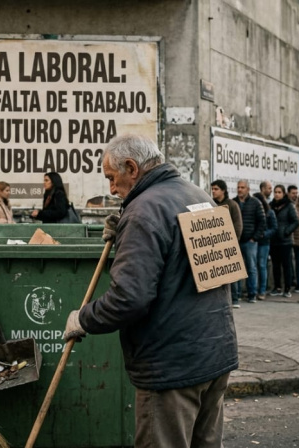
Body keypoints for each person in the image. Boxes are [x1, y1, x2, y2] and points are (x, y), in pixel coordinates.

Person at [63, 135, 237, 448]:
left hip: (172, 367)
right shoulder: (197, 195)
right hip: (215, 354)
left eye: (112, 178)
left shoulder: (144, 211)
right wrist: (126, 233)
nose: (111, 189)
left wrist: (83, 319)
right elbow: (213, 271)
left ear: (132, 168)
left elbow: (128, 299)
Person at [211, 180, 243, 308]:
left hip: (228, 243)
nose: (213, 191)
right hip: (215, 245)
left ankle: (234, 299)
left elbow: (238, 225)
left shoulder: (232, 205)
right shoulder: (211, 204)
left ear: (223, 190)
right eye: (212, 189)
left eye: (216, 189)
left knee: (231, 273)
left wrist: (232, 241)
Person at [235, 180, 266, 304]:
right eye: (238, 187)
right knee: (237, 268)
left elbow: (262, 222)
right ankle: (237, 294)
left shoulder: (255, 203)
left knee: (251, 268)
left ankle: (252, 293)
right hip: (237, 241)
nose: (239, 189)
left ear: (248, 189)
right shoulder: (234, 202)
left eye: (242, 187)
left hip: (250, 241)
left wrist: (255, 238)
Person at [269, 185, 299, 298]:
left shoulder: (289, 206)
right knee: (275, 265)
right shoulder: (271, 205)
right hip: (274, 240)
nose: (277, 194)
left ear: (283, 193)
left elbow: (295, 221)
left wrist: (287, 231)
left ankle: (287, 288)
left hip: (285, 241)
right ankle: (277, 287)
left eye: (279, 192)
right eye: (275, 192)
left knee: (287, 265)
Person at [253, 192, 276, 300]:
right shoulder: (254, 212)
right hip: (254, 241)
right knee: (253, 266)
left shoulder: (269, 212)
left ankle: (262, 290)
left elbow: (274, 228)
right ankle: (254, 290)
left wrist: (264, 234)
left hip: (264, 242)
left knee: (262, 265)